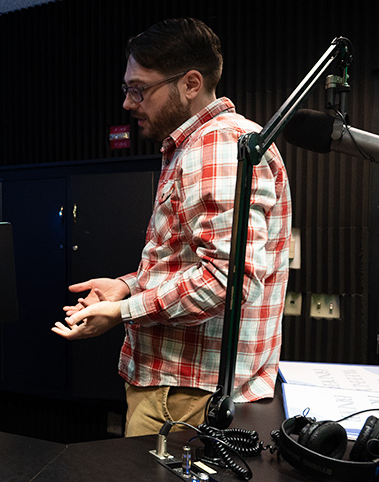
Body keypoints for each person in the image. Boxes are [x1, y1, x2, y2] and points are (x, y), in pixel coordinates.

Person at [51, 18, 292, 437]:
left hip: (185, 398)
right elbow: (186, 263)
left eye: (139, 89)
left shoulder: (216, 144)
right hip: (185, 390)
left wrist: (122, 311)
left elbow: (224, 281)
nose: (128, 102)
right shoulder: (202, 146)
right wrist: (126, 286)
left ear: (191, 83)